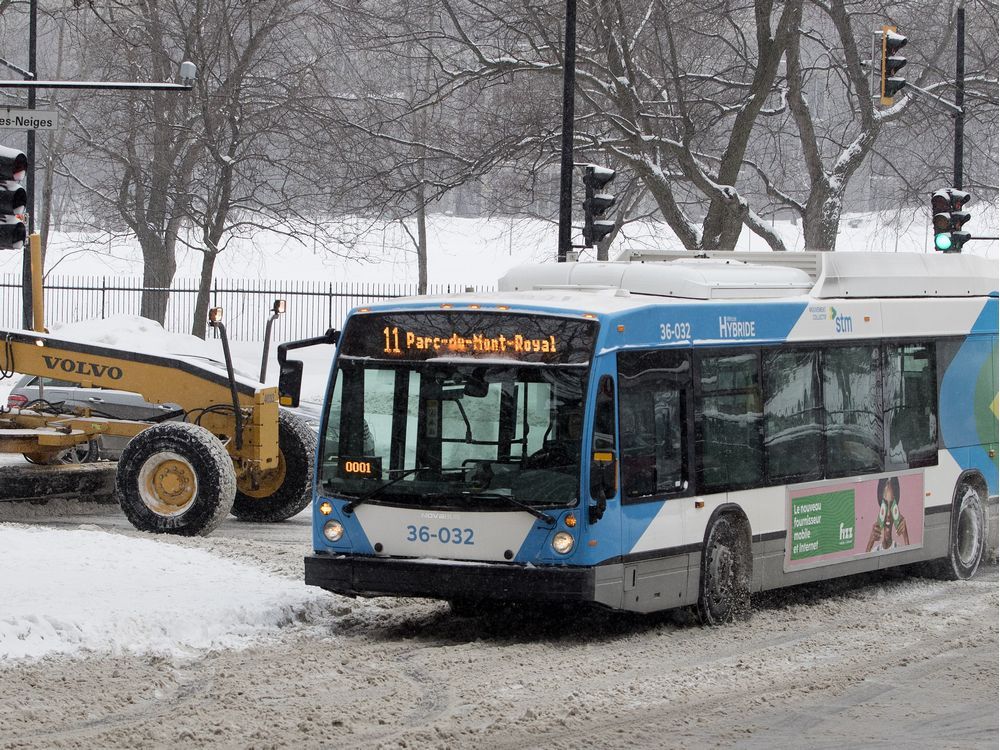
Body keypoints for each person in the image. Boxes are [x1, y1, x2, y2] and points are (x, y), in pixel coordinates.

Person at [866, 476, 909, 552]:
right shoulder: (874, 550)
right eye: (885, 505)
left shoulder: (900, 548)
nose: (888, 514)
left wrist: (905, 537)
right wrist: (870, 542)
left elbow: (909, 559)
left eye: (892, 505)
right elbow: (865, 563)